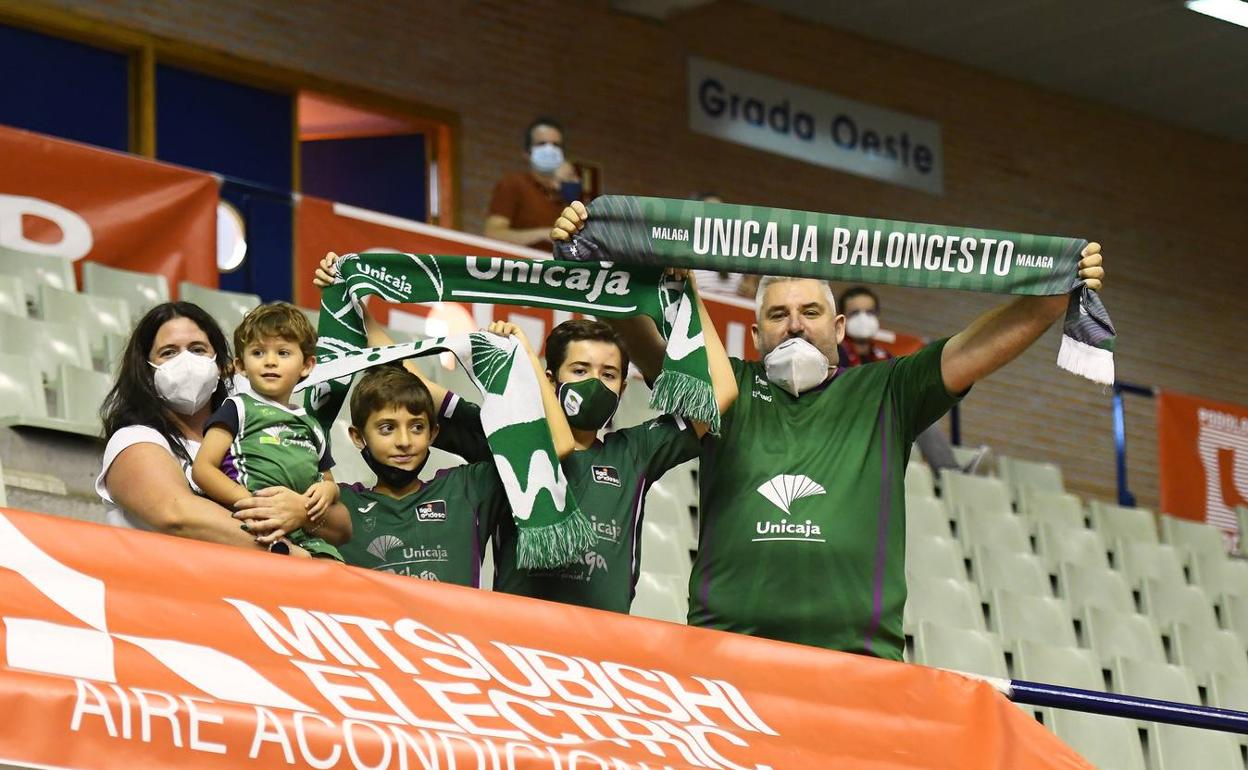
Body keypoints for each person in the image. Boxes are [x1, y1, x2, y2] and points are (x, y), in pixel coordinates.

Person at [551, 201, 1106, 659]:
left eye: (810, 311)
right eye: (778, 314)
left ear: (838, 327)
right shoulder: (724, 388)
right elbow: (633, 323)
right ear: (754, 333)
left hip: (857, 668)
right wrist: (591, 247)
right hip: (725, 657)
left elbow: (995, 338)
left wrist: (1058, 286)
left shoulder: (889, 390)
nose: (794, 323)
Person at [312, 255, 738, 613]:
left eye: (608, 374)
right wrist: (352, 298)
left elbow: (720, 393)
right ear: (549, 378)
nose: (594, 383)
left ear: (624, 388)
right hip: (518, 640)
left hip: (607, 646)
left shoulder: (638, 450)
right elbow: (411, 384)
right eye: (580, 370)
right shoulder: (504, 436)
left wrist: (691, 296)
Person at [97, 302, 350, 555]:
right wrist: (285, 552)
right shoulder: (133, 438)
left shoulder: (255, 433)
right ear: (146, 370)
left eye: (198, 349)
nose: (186, 361)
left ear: (222, 365)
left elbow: (342, 529)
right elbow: (177, 515)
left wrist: (301, 511)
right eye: (169, 353)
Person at [335, 322, 574, 585]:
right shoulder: (337, 504)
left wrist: (526, 357)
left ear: (433, 433)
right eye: (387, 428)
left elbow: (557, 444)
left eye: (417, 427)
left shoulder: (467, 489)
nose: (404, 441)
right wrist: (357, 308)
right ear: (358, 437)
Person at [191, 302, 348, 558]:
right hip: (254, 526)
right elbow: (203, 468)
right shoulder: (237, 407)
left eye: (283, 353)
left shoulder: (312, 424)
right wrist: (253, 504)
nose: (270, 362)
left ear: (307, 365)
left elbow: (327, 480)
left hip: (306, 531)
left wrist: (329, 491)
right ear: (241, 366)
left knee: (340, 578)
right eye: (258, 353)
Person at [838, 285, 988, 474]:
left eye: (869, 312)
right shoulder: (836, 352)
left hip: (883, 423)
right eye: (855, 313)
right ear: (841, 318)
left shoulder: (884, 356)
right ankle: (950, 473)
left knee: (919, 410)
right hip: (849, 423)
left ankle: (952, 474)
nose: (863, 318)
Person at [484, 117, 578, 248]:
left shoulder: (565, 194)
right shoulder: (514, 184)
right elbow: (493, 234)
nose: (549, 150)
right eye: (542, 144)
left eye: (556, 145)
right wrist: (544, 234)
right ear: (527, 153)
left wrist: (569, 186)